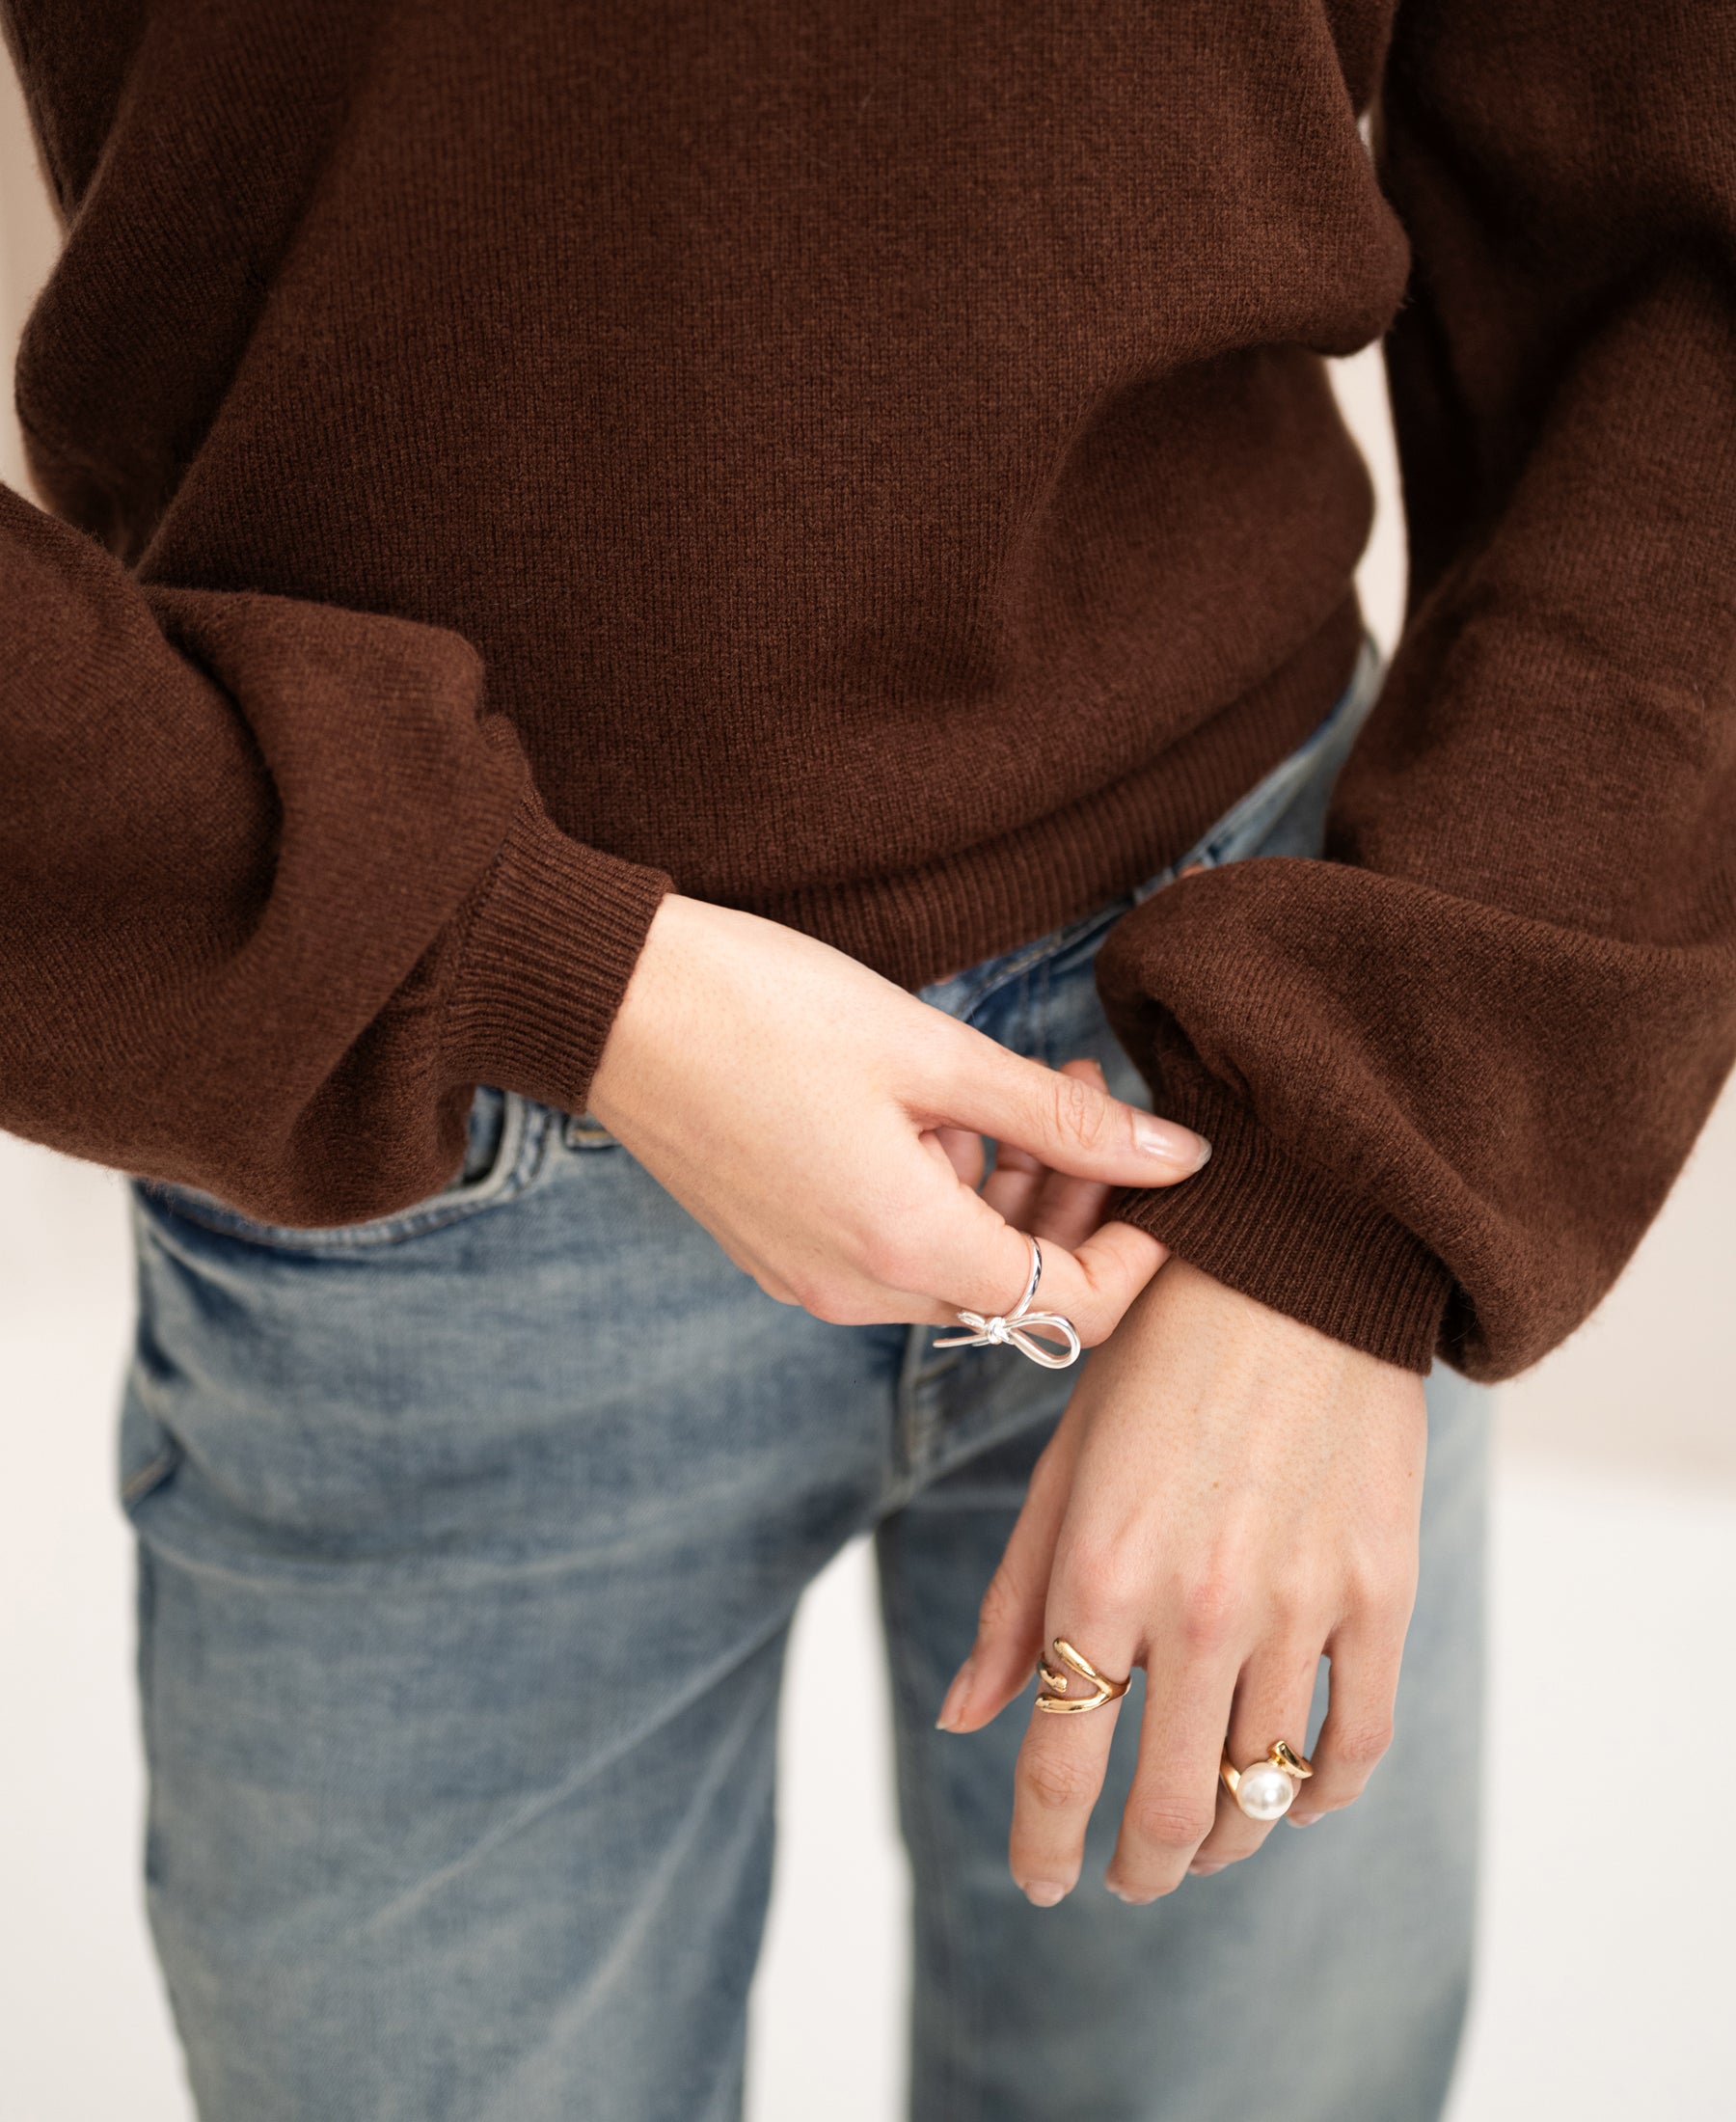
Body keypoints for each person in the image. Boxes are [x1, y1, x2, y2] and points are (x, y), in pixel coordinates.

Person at [2, 5, 1731, 2117]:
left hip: (1248, 1085)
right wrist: (531, 963)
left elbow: (1690, 261)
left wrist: (1367, 1186)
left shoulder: (1331, 1155)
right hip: (419, 1133)